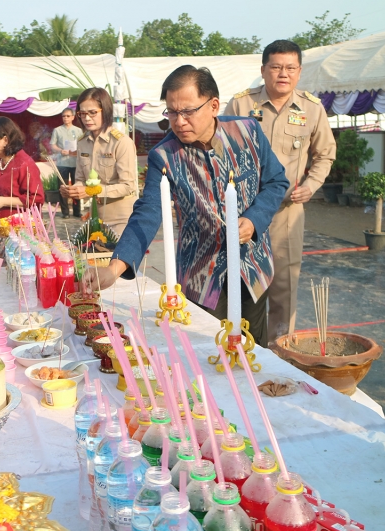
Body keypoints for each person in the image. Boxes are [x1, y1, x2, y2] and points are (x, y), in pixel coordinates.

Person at [84, 66, 289, 345]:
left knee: (255, 353)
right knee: (208, 351)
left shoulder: (248, 132)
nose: (179, 122)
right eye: (171, 112)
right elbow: (148, 213)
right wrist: (113, 268)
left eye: (188, 111)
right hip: (202, 277)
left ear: (213, 105)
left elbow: (276, 182)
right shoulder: (164, 156)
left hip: (252, 269)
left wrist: (254, 220)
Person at [224, 39, 336, 343]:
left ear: (299, 72)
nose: (282, 74)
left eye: (290, 68)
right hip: (245, 214)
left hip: (287, 213)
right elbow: (221, 149)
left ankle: (279, 355)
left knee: (283, 288)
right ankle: (242, 346)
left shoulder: (311, 109)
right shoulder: (241, 105)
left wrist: (311, 185)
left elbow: (325, 154)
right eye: (276, 67)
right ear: (263, 70)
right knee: (243, 284)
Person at [59, 87, 137, 236]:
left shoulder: (121, 142)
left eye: (93, 113)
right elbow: (81, 179)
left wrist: (90, 190)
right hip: (96, 217)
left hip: (122, 219)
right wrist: (73, 190)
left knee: (116, 258)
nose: (87, 118)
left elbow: (128, 185)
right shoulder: (82, 142)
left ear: (105, 110)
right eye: (82, 114)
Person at [0, 116, 43, 264]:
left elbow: (36, 199)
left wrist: (3, 201)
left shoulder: (25, 164)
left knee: (19, 275)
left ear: (5, 140)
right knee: (1, 276)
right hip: (2, 231)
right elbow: (2, 192)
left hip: (21, 234)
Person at [49, 108, 83, 218]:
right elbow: (52, 145)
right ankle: (65, 212)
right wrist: (60, 150)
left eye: (68, 116)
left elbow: (83, 145)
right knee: (63, 188)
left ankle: (77, 211)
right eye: (64, 116)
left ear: (73, 117)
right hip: (62, 163)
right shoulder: (57, 130)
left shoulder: (78, 131)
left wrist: (77, 151)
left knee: (75, 187)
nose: (65, 118)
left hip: (75, 163)